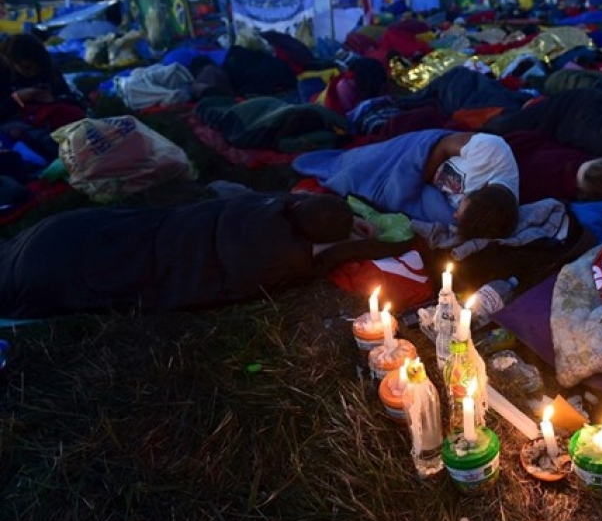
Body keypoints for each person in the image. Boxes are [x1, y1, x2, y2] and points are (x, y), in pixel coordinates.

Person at [0, 191, 406, 319]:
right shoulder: (282, 259)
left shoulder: (263, 204)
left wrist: (349, 222)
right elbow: (336, 254)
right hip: (58, 267)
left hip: (66, 230)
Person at [293, 129, 520, 241]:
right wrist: (412, 179)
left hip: (427, 191)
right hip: (418, 158)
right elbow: (443, 145)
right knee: (353, 170)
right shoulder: (492, 153)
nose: (455, 216)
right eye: (460, 211)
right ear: (483, 187)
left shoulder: (493, 214)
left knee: (382, 199)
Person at [0, 33, 86, 161]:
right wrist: (18, 98)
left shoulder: (49, 69)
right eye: (26, 68)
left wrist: (53, 100)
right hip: (16, 128)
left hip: (49, 121)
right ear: (12, 63)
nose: (32, 73)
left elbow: (72, 101)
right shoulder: (4, 75)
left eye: (36, 69)